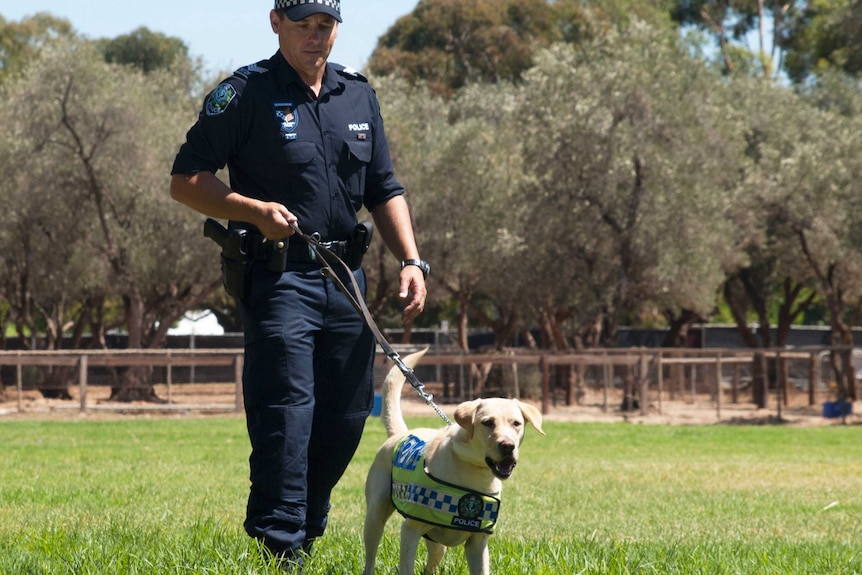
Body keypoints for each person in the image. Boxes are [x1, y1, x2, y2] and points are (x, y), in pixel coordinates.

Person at [169, 0, 428, 569]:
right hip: (280, 275)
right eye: (304, 24)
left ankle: (307, 528)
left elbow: (384, 187)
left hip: (347, 282)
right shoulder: (246, 93)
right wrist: (252, 209)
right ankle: (278, 545)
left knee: (344, 415)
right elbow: (186, 180)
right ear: (276, 22)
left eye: (325, 26)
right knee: (287, 411)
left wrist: (411, 259)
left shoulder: (358, 94)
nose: (316, 36)